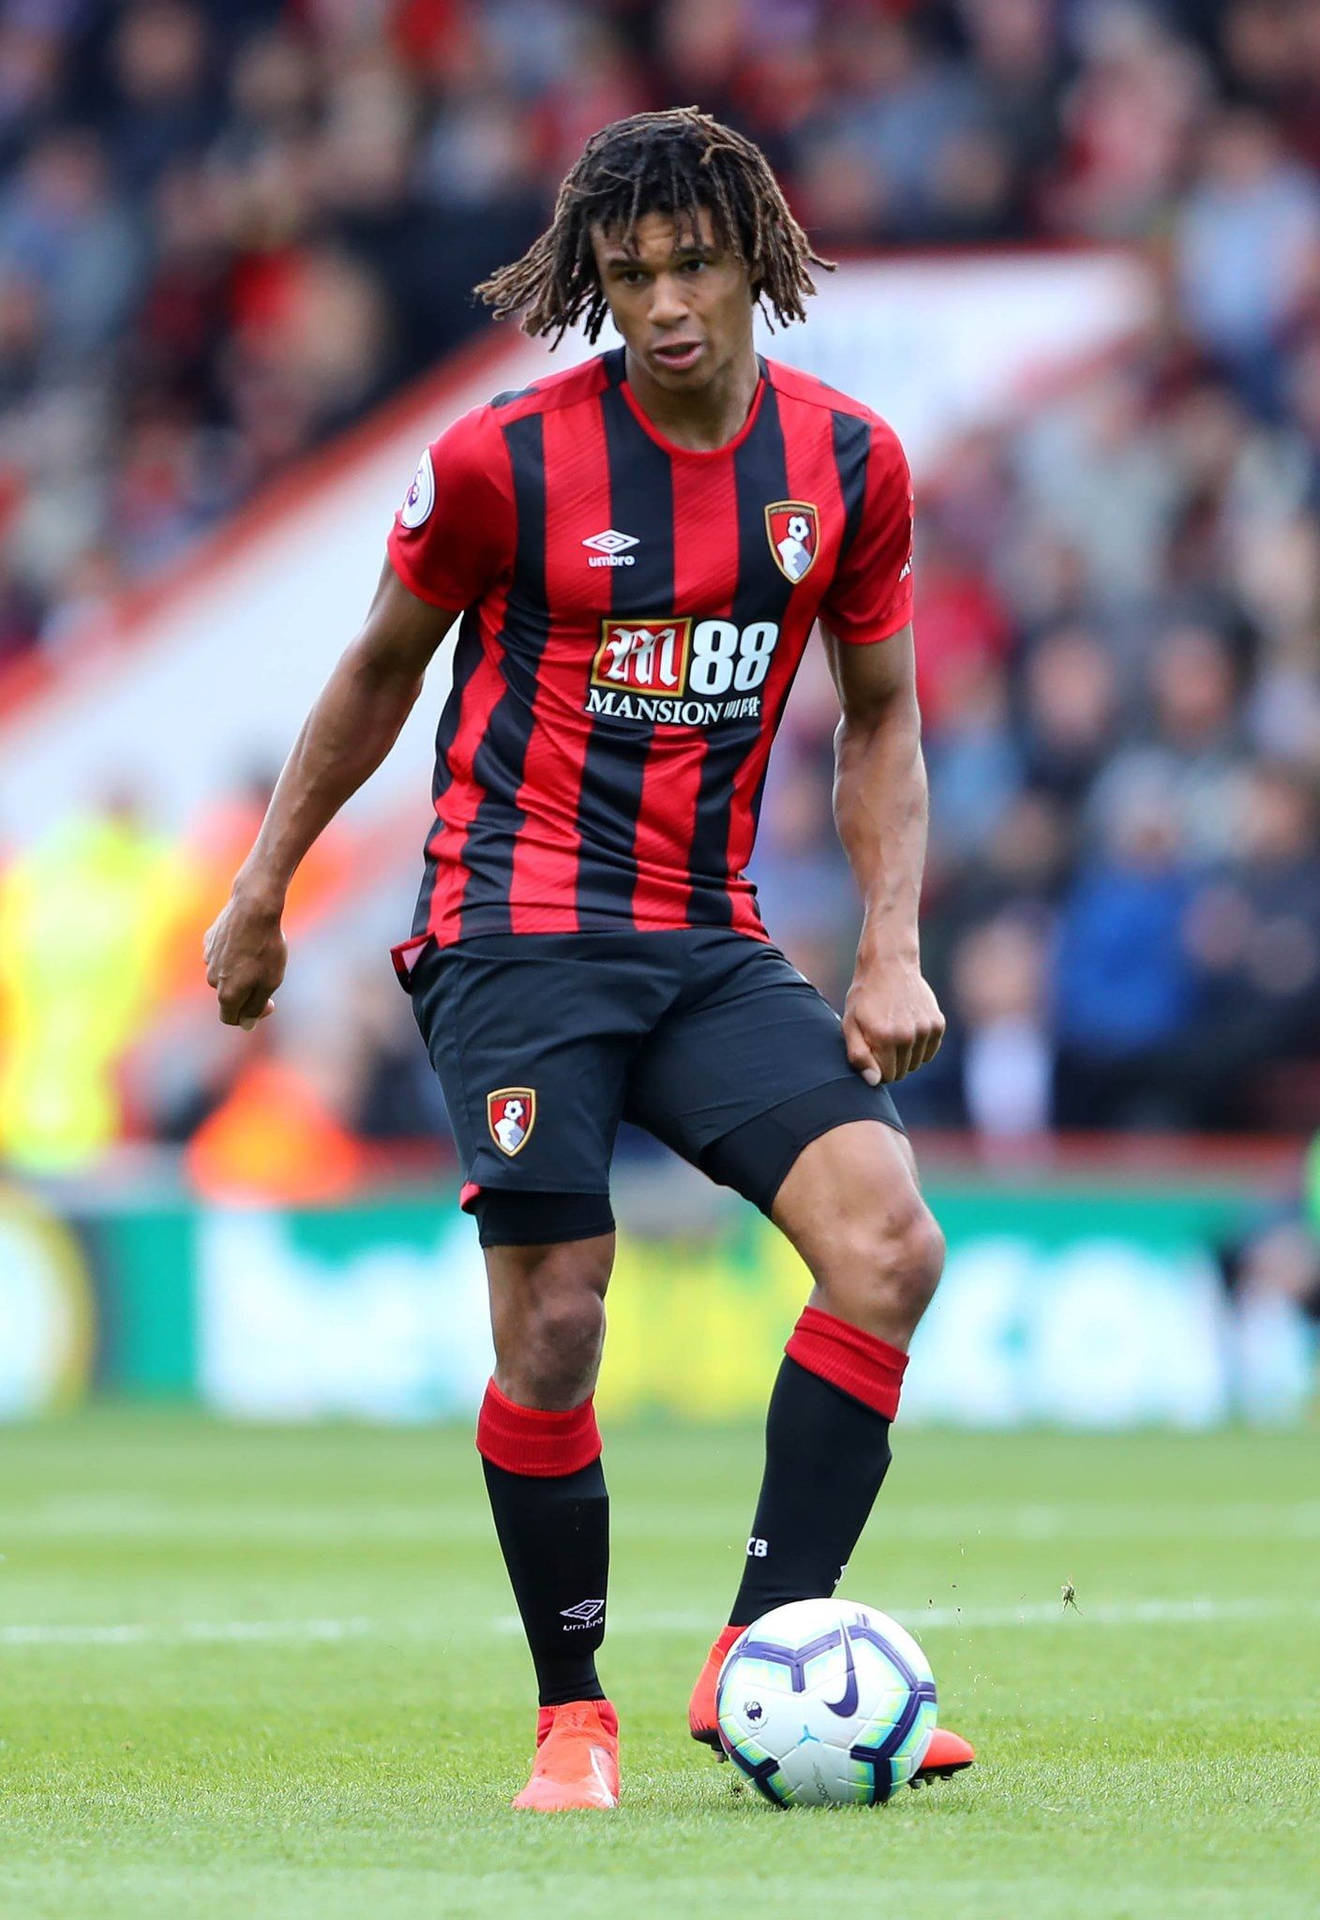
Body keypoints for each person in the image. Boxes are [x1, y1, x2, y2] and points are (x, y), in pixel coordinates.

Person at [204, 107, 974, 1812]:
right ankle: (575, 1715)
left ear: (756, 260)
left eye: (695, 264)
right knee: (555, 1327)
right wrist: (263, 890)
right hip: (516, 927)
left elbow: (885, 717)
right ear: (596, 284)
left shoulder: (848, 464)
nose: (666, 303)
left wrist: (891, 946)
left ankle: (761, 1655)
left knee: (890, 1248)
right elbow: (375, 673)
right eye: (631, 277)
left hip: (707, 938)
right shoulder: (503, 463)